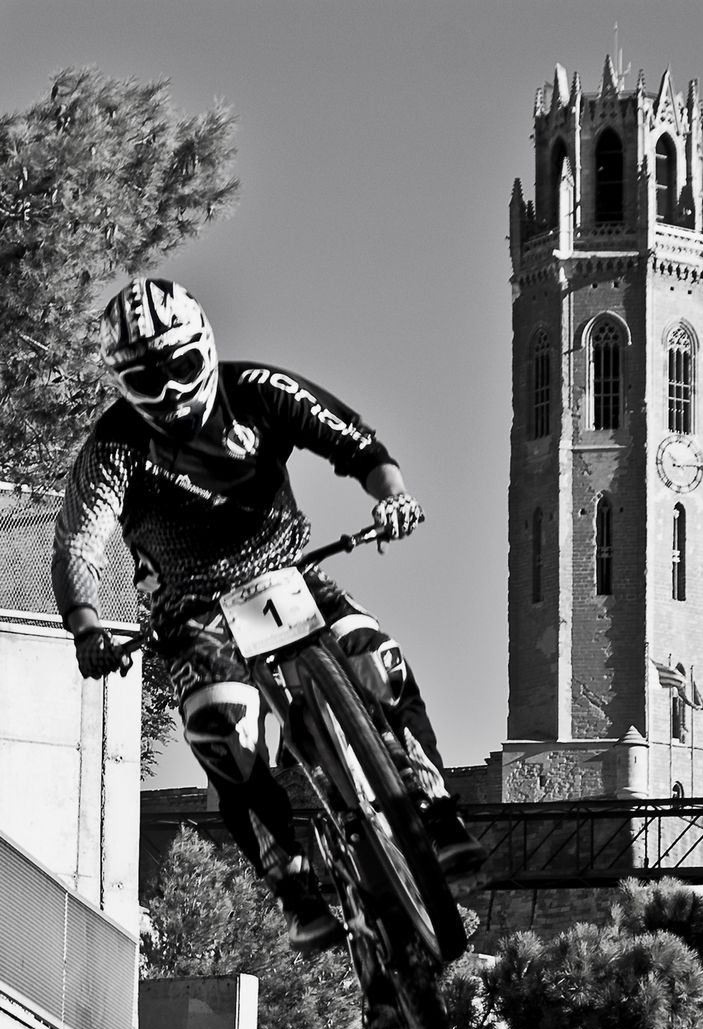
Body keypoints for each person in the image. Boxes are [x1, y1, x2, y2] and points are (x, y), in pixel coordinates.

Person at [51, 277, 484, 966]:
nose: (166, 393)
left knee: (376, 656)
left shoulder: (257, 389)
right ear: (122, 382)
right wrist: (86, 624)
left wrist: (394, 497)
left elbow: (355, 443)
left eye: (182, 368)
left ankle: (432, 803)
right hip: (190, 610)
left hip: (289, 571)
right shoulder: (114, 445)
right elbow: (80, 541)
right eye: (144, 378)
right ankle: (291, 883)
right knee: (222, 724)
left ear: (206, 349)